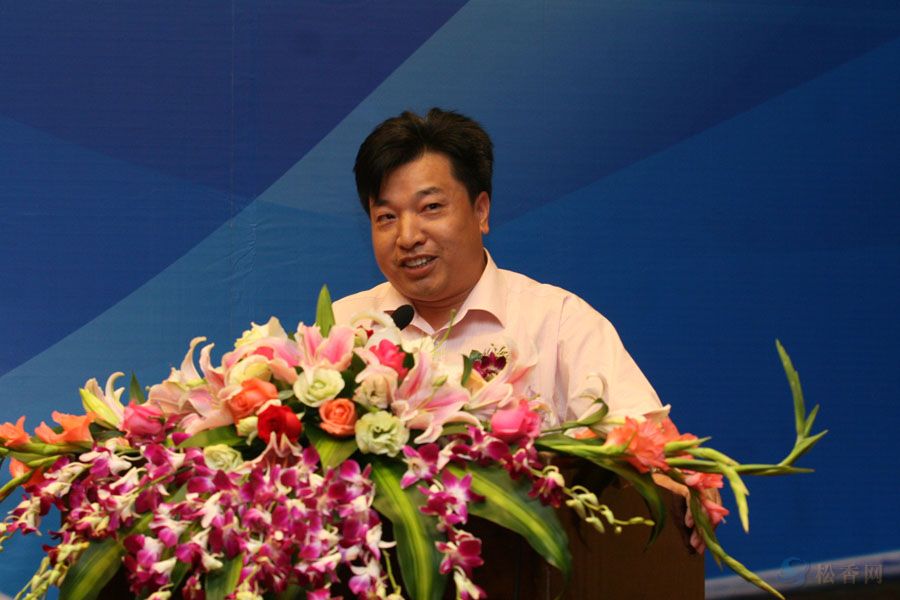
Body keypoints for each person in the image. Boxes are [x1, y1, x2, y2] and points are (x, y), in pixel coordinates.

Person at [332, 108, 662, 426]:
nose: (407, 237)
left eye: (430, 207)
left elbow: (647, 446)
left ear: (481, 211)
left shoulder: (558, 324)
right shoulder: (343, 329)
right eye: (386, 217)